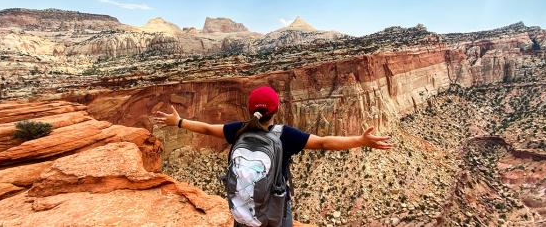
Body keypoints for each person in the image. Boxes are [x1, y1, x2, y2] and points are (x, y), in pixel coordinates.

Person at [154, 86, 393, 226]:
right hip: (275, 208)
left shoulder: (238, 129)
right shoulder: (285, 135)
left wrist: (179, 122)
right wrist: (360, 141)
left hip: (244, 206)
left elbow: (206, 128)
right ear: (277, 109)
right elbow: (323, 143)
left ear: (250, 110)